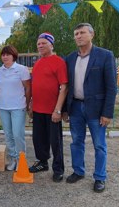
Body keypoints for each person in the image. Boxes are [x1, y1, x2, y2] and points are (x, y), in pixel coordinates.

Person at [63, 23, 117, 192]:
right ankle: (78, 171)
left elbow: (111, 87)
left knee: (99, 145)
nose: (78, 36)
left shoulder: (105, 56)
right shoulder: (70, 58)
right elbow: (67, 86)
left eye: (82, 32)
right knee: (76, 142)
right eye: (76, 33)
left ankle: (100, 177)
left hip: (97, 109)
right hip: (76, 108)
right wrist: (65, 109)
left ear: (91, 35)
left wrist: (107, 113)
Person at [28, 33, 68, 183]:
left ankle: (58, 169)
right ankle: (43, 163)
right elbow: (35, 86)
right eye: (38, 43)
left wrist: (58, 110)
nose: (40, 46)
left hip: (52, 111)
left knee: (55, 142)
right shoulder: (37, 63)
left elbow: (64, 87)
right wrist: (31, 104)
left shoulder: (59, 62)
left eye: (44, 43)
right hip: (38, 110)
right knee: (39, 140)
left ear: (51, 45)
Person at [0, 45, 31, 171]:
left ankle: (21, 160)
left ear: (13, 56)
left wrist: (26, 104)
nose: (5, 57)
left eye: (7, 54)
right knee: (8, 135)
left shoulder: (22, 69)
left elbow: (28, 88)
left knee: (17, 134)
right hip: (3, 107)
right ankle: (12, 159)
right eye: (3, 55)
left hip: (18, 107)